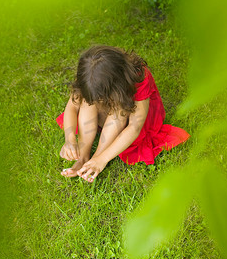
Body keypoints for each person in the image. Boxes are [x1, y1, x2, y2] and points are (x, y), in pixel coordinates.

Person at [56, 45, 189, 182]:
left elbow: (134, 127)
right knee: (86, 102)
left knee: (120, 110)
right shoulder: (90, 77)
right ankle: (83, 157)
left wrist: (102, 159)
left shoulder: (137, 77)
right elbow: (72, 107)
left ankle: (97, 157)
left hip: (134, 116)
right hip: (111, 104)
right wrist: (70, 139)